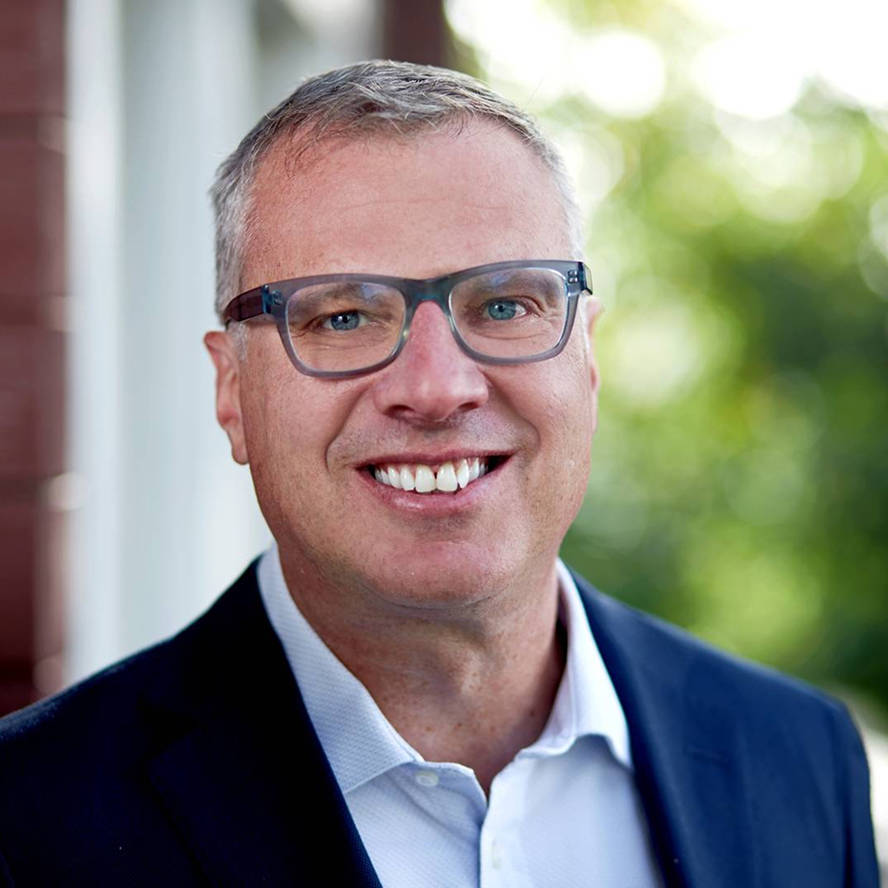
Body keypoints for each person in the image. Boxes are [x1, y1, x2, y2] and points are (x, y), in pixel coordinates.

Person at [0, 60, 878, 887]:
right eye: (343, 317)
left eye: (504, 304)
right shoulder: (26, 819)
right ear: (232, 391)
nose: (435, 388)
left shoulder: (801, 758)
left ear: (588, 358)